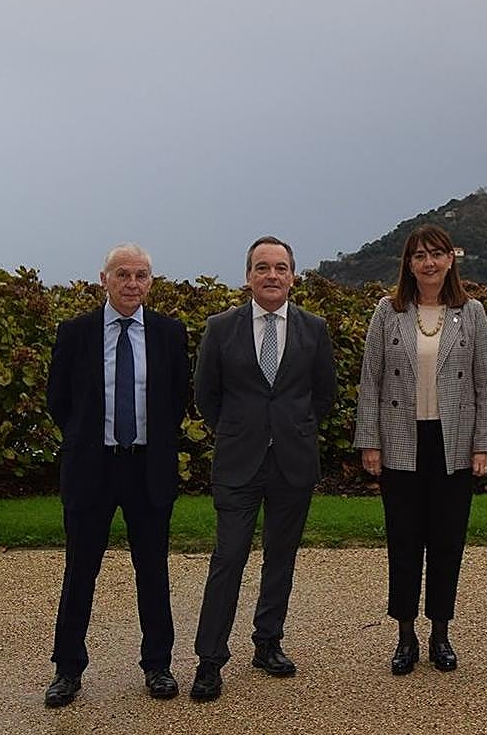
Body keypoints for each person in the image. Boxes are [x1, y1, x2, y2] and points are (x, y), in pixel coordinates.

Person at [189, 236, 337, 701]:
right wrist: (241, 431)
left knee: (281, 558)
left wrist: (289, 429)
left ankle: (268, 643)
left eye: (280, 267)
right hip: (239, 462)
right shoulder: (221, 328)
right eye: (262, 267)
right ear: (248, 275)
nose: (272, 275)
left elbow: (324, 394)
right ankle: (210, 659)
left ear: (293, 276)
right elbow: (206, 396)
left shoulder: (314, 328)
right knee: (228, 558)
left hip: (293, 461)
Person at [43, 243, 190, 708]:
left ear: (151, 282)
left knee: (153, 571)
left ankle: (158, 665)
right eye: (122, 274)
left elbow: (176, 399)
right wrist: (86, 439)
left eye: (140, 275)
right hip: (92, 467)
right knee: (79, 571)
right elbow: (58, 400)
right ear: (103, 279)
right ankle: (67, 669)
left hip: (147, 468)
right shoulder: (76, 333)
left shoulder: (169, 333)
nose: (131, 283)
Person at [354, 224, 487, 676]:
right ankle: (405, 635)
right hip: (401, 440)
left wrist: (484, 444)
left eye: (436, 254)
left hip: (452, 443)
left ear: (451, 259)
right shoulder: (388, 311)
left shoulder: (471, 313)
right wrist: (370, 441)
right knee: (403, 541)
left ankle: (440, 633)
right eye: (420, 255)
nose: (429, 263)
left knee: (447, 542)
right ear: (409, 264)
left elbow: (485, 383)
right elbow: (370, 380)